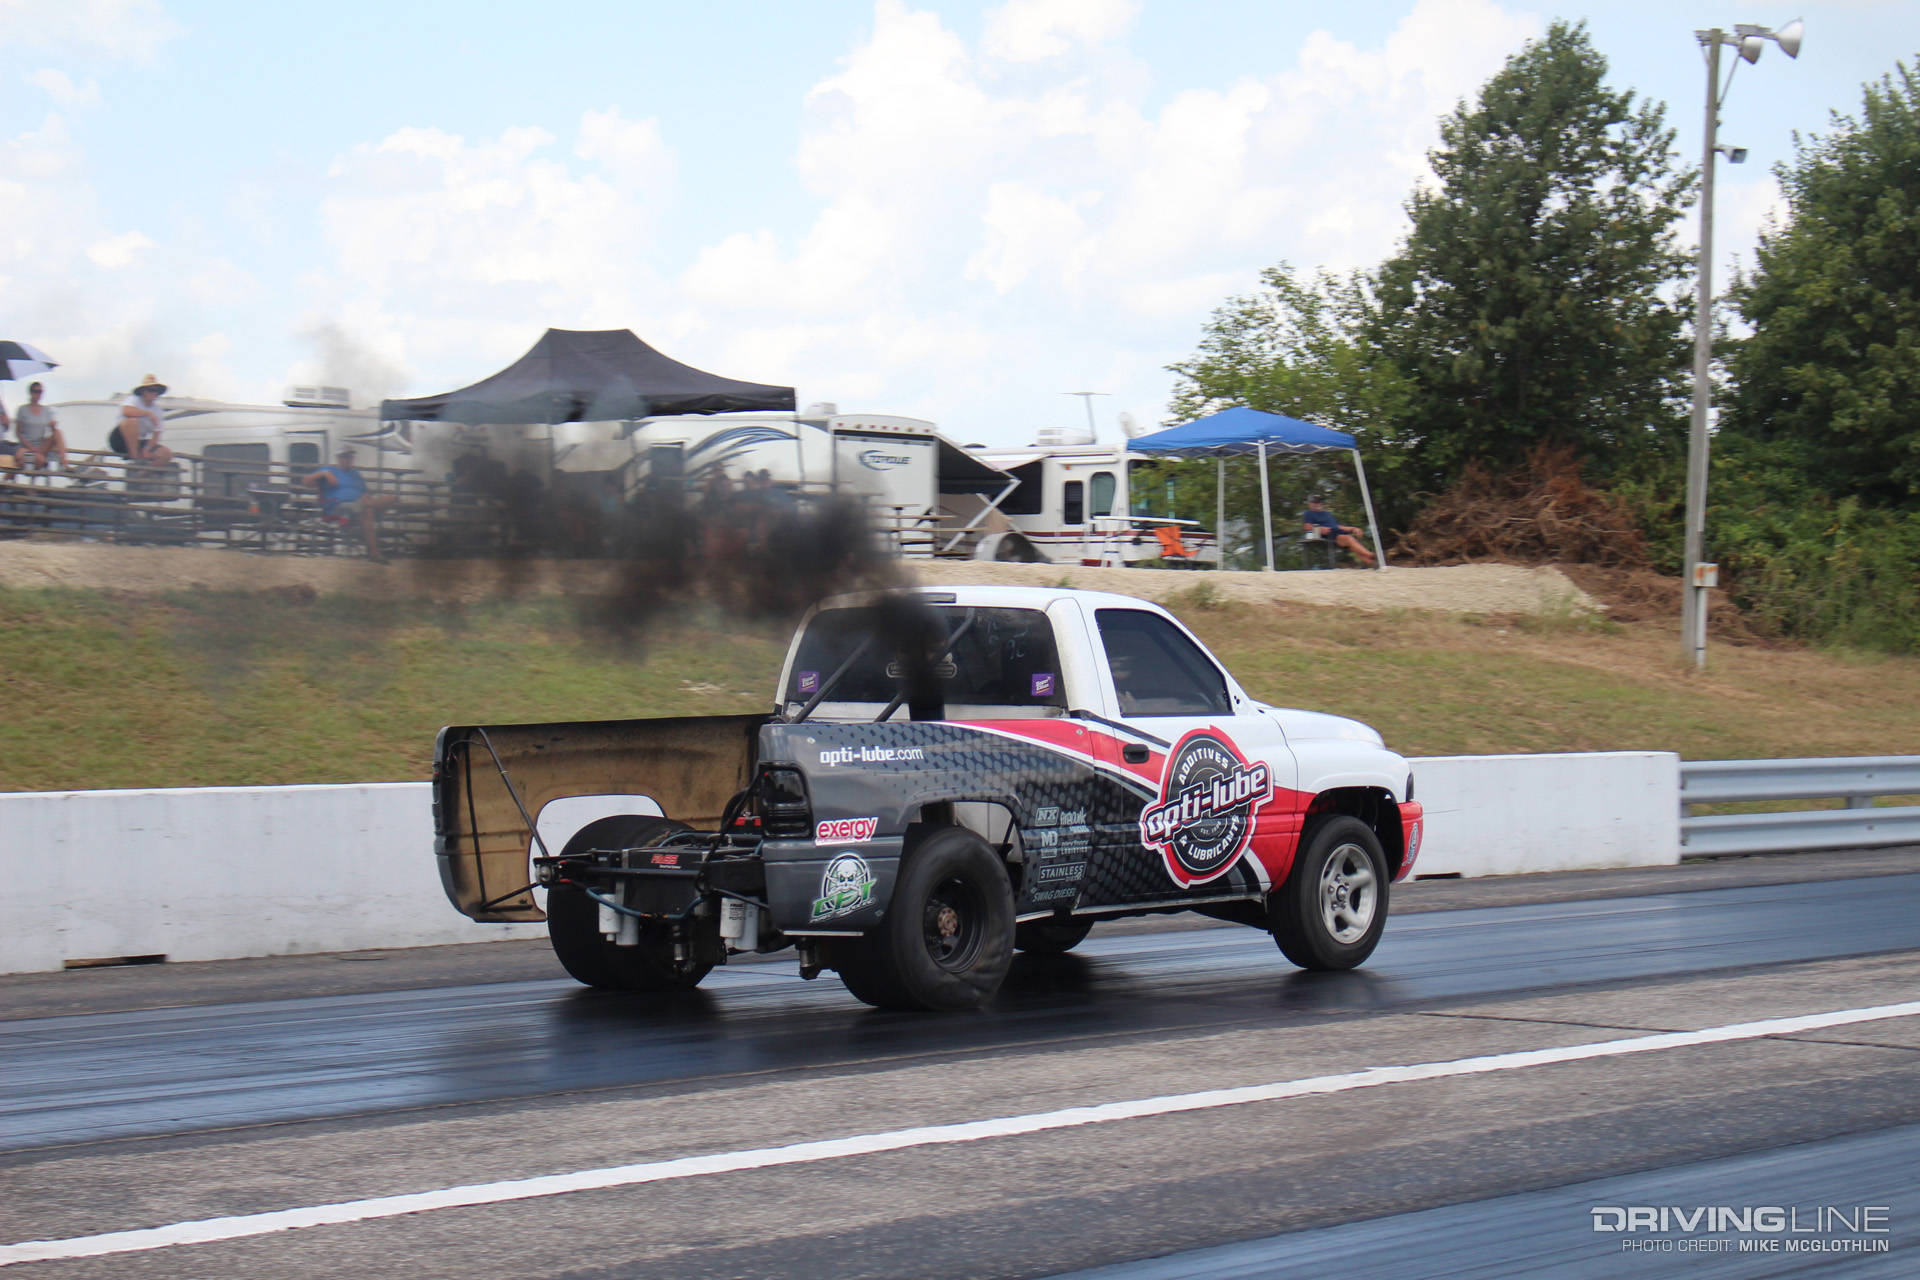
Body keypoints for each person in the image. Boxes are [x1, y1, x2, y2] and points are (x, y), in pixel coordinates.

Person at [305, 447, 396, 562]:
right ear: (339, 458)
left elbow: (365, 491)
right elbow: (306, 481)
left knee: (390, 499)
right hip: (338, 507)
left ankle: (365, 505)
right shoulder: (330, 469)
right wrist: (324, 473)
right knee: (368, 510)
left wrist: (365, 498)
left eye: (350, 456)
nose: (348, 459)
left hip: (358, 505)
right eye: (345, 457)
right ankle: (374, 553)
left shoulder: (355, 474)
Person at [1301, 495, 1377, 568]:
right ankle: (1371, 555)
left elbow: (1338, 526)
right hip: (1327, 535)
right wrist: (1319, 528)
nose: (1317, 504)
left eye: (1319, 502)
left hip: (1337, 532)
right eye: (1315, 502)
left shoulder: (1327, 514)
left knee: (1352, 542)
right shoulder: (1308, 514)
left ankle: (1371, 562)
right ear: (1310, 503)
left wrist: (1353, 528)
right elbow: (1307, 527)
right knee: (1348, 539)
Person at [113, 375, 174, 466]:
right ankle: (135, 457)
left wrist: (147, 448)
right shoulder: (133, 399)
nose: (154, 393)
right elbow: (126, 411)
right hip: (120, 440)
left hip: (137, 441)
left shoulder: (158, 410)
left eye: (156, 391)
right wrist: (148, 413)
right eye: (150, 390)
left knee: (166, 454)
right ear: (143, 391)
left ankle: (143, 473)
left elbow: (156, 434)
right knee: (132, 420)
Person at [14, 382, 69, 472]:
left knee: (57, 432)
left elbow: (52, 432)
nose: (38, 394)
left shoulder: (46, 410)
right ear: (31, 392)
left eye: (40, 392)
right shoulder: (23, 409)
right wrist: (30, 447)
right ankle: (40, 460)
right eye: (36, 391)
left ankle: (64, 462)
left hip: (41, 446)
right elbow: (18, 433)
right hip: (27, 446)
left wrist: (53, 426)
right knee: (32, 459)